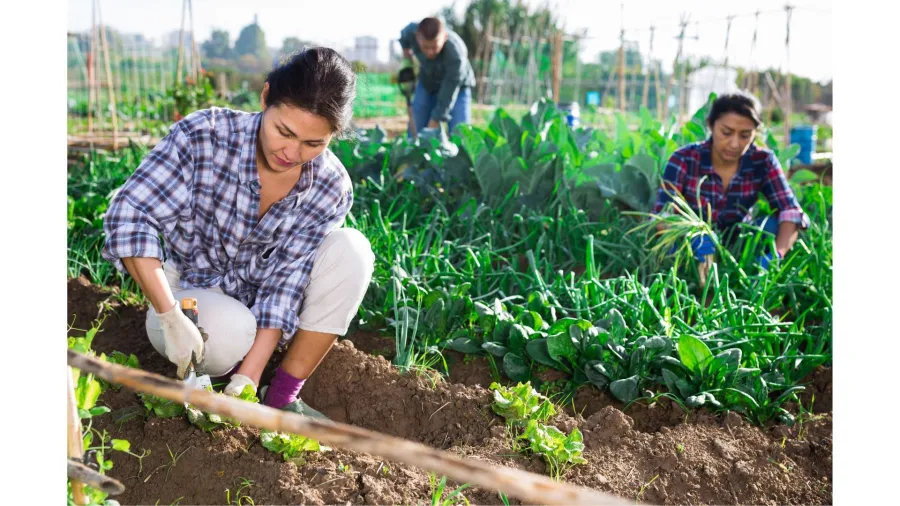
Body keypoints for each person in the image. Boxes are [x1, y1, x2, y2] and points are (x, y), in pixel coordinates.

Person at [102, 48, 375, 418]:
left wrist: (249, 378)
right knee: (230, 330)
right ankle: (212, 364)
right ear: (265, 98)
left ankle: (279, 396)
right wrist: (170, 317)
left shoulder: (329, 186)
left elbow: (286, 284)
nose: (292, 153)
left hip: (258, 306)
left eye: (314, 144)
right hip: (191, 298)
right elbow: (130, 215)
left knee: (352, 251)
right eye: (284, 131)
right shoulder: (204, 136)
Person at [653, 91, 810, 270]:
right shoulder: (684, 159)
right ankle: (685, 276)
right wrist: (691, 234)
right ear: (711, 126)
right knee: (670, 250)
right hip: (689, 246)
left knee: (772, 226)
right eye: (726, 133)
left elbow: (790, 211)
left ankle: (748, 272)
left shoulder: (763, 161)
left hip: (739, 242)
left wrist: (778, 254)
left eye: (745, 135)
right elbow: (661, 216)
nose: (734, 144)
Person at [399, 17, 476, 136]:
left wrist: (435, 120)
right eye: (425, 47)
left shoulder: (456, 54)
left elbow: (448, 93)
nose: (430, 52)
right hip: (428, 84)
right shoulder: (411, 31)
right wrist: (407, 56)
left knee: (461, 134)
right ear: (417, 37)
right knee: (415, 131)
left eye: (434, 47)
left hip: (457, 88)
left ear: (444, 37)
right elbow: (404, 35)